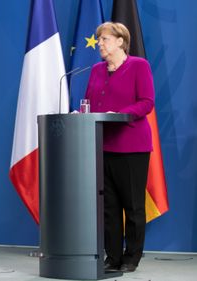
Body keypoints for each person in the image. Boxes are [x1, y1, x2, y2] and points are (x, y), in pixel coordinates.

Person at [85, 22, 154, 273]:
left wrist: (120, 114)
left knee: (133, 206)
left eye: (104, 39)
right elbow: (90, 103)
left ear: (120, 42)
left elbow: (146, 102)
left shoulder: (139, 66)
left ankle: (131, 257)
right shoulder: (95, 70)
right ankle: (112, 257)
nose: (99, 44)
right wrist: (81, 113)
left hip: (132, 145)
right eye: (99, 39)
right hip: (102, 145)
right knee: (109, 207)